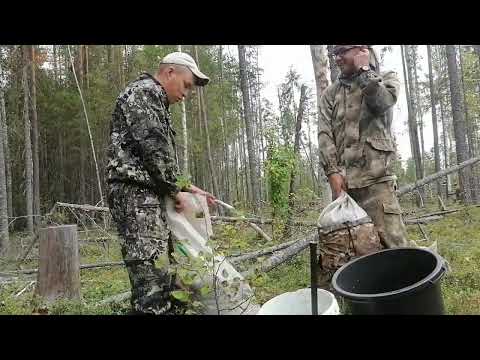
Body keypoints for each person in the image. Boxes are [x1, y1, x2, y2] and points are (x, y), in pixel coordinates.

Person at [105, 52, 216, 314]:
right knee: (151, 281)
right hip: (135, 195)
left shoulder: (155, 100)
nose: (187, 94)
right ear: (169, 73)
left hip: (148, 194)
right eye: (186, 85)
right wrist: (175, 189)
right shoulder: (145, 93)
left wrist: (186, 186)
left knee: (164, 274)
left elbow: (160, 157)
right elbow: (153, 148)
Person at [318, 45, 409, 249]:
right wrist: (332, 172)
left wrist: (365, 72)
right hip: (344, 187)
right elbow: (324, 134)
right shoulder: (330, 94)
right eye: (335, 54)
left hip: (377, 183)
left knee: (396, 248)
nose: (337, 58)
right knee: (351, 252)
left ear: (361, 49)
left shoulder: (386, 77)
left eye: (343, 51)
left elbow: (381, 102)